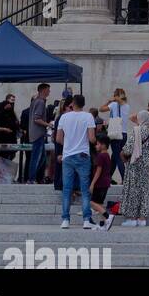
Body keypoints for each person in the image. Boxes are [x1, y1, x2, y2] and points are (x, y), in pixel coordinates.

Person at [56, 93, 98, 230]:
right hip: (83, 155)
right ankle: (86, 220)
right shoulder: (88, 116)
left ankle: (65, 220)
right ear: (84, 104)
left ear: (72, 103)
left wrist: (68, 145)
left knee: (67, 189)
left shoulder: (64, 117)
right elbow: (91, 138)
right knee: (85, 189)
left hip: (68, 156)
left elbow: (58, 139)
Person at [115, 109, 149, 228]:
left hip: (135, 163)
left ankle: (132, 218)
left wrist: (123, 154)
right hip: (146, 164)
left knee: (133, 190)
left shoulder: (136, 130)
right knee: (144, 190)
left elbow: (128, 148)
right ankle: (142, 219)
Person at [104, 88, 130, 184]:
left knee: (118, 157)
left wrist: (109, 101)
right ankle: (108, 177)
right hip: (124, 134)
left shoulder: (114, 105)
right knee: (114, 157)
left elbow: (101, 109)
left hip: (116, 134)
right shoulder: (127, 106)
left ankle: (125, 179)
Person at [0, 94, 20, 184]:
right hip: (1, 140)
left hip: (10, 140)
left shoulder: (11, 113)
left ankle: (7, 177)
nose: (10, 105)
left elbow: (15, 124)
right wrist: (4, 129)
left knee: (9, 159)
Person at [27, 83, 51, 185]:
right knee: (36, 157)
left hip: (36, 133)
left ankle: (34, 178)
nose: (49, 92)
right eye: (48, 90)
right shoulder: (40, 102)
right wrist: (49, 125)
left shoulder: (35, 101)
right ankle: (31, 179)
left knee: (42, 158)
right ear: (43, 90)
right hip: (38, 134)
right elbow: (37, 119)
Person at [88, 132, 113, 225]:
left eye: (98, 144)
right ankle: (103, 224)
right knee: (100, 204)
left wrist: (92, 184)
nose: (96, 146)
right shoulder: (107, 155)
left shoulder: (101, 156)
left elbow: (98, 171)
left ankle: (107, 216)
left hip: (100, 183)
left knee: (91, 202)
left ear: (103, 145)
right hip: (106, 183)